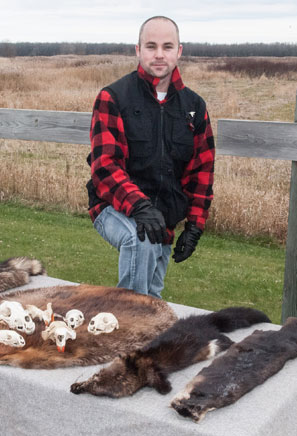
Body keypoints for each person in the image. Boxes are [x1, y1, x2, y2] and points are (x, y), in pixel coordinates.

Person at [86, 16, 215, 298]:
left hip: (164, 218)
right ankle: (126, 329)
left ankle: (145, 332)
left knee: (152, 296)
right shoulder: (113, 97)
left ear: (179, 51)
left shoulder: (194, 107)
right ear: (138, 50)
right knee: (138, 241)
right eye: (151, 46)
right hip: (114, 207)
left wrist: (194, 226)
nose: (159, 54)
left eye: (167, 47)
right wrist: (140, 207)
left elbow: (202, 172)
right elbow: (105, 167)